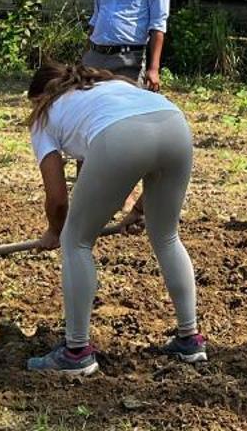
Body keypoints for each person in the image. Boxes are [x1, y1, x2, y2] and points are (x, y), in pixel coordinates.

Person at [21, 63, 204, 374]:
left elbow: (57, 197)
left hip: (121, 137)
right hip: (174, 124)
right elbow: (152, 152)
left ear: (39, 97)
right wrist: (140, 209)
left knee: (76, 241)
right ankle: (190, 340)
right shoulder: (109, 87)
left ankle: (76, 351)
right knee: (167, 236)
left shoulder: (46, 114)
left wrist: (55, 231)